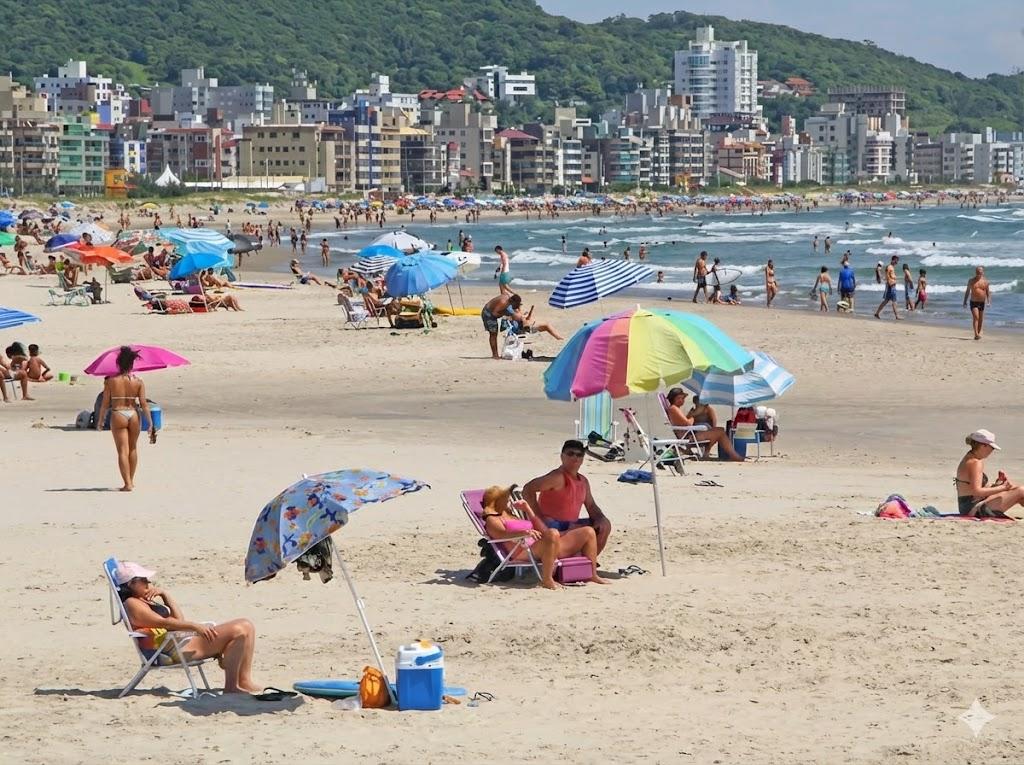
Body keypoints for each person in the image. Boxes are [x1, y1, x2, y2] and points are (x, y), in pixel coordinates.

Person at [114, 561, 263, 693]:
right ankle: (231, 687)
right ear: (130, 584)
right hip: (172, 649)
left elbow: (179, 620)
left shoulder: (144, 600)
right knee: (240, 629)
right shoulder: (132, 604)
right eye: (142, 579)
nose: (148, 582)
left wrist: (165, 595)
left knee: (247, 627)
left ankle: (243, 681)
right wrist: (194, 626)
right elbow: (164, 623)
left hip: (179, 640)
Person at [522, 440, 612, 575]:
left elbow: (591, 505)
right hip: (554, 526)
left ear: (582, 459)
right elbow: (528, 489)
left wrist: (600, 518)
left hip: (570, 525)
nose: (575, 458)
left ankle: (582, 562)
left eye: (579, 455)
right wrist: (538, 518)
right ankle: (575, 562)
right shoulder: (557, 477)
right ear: (562, 456)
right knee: (586, 530)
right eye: (570, 454)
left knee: (604, 525)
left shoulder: (583, 481)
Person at [95, 346, 156, 492]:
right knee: (133, 448)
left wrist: (100, 421)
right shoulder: (139, 381)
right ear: (132, 364)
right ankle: (131, 481)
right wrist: (150, 423)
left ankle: (127, 483)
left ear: (118, 363)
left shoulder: (110, 381)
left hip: (118, 413)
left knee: (122, 450)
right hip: (134, 413)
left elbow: (104, 404)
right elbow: (144, 404)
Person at [482, 485, 561, 590]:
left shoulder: (509, 514)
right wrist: (524, 533)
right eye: (505, 498)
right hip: (520, 551)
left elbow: (543, 530)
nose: (508, 500)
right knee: (552, 533)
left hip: (533, 544)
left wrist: (527, 509)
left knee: (579, 532)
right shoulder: (492, 519)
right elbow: (502, 534)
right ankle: (547, 579)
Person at [954, 430, 1023, 518]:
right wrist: (1003, 488)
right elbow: (976, 491)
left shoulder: (969, 457)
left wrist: (997, 485)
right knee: (1021, 491)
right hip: (973, 509)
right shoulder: (975, 463)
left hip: (967, 506)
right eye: (992, 448)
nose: (992, 451)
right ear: (983, 445)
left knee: (1015, 488)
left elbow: (971, 489)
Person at [664, 388, 743, 461]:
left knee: (720, 430)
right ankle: (733, 455)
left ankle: (731, 455)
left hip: (690, 434)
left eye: (682, 398)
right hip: (690, 437)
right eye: (678, 398)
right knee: (720, 432)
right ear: (672, 399)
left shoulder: (675, 408)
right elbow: (688, 423)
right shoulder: (673, 408)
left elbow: (684, 423)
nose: (681, 400)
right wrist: (693, 416)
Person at [481, 292, 562, 359]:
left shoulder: (508, 299)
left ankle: (495, 355)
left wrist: (518, 313)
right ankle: (495, 355)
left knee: (495, 333)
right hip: (488, 314)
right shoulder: (504, 303)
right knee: (493, 334)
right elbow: (495, 313)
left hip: (502, 312)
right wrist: (505, 314)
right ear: (512, 302)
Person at [963, 266, 991, 340]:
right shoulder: (971, 281)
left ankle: (977, 334)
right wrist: (965, 301)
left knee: (981, 319)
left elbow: (988, 292)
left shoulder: (985, 281)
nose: (979, 273)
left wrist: (989, 301)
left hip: (982, 302)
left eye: (980, 271)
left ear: (983, 272)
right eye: (978, 271)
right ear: (975, 272)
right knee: (976, 317)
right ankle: (976, 333)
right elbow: (967, 291)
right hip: (974, 301)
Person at [874, 255, 900, 320]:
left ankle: (877, 313)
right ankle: (897, 316)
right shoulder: (889, 267)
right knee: (894, 301)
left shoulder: (892, 267)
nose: (897, 262)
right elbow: (887, 276)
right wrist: (890, 283)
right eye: (896, 260)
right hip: (891, 287)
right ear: (893, 260)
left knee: (886, 301)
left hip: (892, 286)